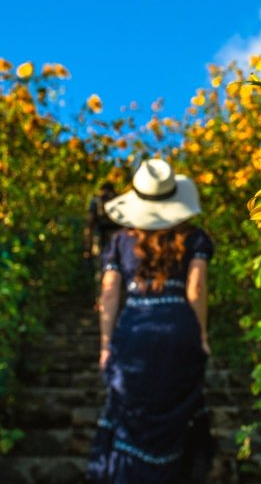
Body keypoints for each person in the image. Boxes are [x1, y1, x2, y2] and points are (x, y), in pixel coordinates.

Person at [87, 158, 216, 483]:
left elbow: (110, 293)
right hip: (179, 328)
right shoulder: (196, 238)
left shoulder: (119, 242)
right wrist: (200, 335)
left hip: (135, 329)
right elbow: (196, 289)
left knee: (132, 412)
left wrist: (106, 343)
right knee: (177, 413)